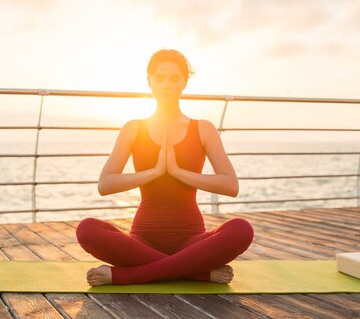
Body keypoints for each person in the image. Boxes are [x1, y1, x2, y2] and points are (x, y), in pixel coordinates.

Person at [76, 49, 254, 286]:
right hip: (141, 241)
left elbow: (231, 186)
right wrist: (156, 171)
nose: (166, 84)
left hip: (193, 241)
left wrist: (179, 172)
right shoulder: (133, 128)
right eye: (159, 78)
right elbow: (105, 184)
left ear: (184, 82)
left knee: (241, 229)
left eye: (174, 78)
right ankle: (195, 272)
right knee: (87, 229)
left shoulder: (203, 128)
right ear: (149, 81)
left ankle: (128, 276)